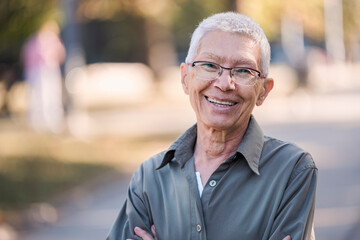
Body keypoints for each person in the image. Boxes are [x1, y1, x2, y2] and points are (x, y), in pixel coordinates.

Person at [107, 12, 317, 240]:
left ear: (264, 90)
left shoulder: (292, 171)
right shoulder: (149, 178)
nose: (225, 83)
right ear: (185, 78)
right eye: (209, 65)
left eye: (244, 70)